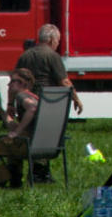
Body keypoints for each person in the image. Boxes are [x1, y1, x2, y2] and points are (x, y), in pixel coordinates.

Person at [14, 23, 80, 180]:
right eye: (58, 41)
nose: (58, 44)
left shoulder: (25, 56)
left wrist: (10, 105)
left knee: (31, 135)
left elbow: (14, 82)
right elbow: (64, 82)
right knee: (44, 136)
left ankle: (32, 171)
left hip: (25, 106)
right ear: (51, 40)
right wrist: (77, 99)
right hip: (45, 106)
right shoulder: (52, 56)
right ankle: (40, 172)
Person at [0, 69, 39, 187]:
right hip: (42, 145)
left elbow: (32, 108)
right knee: (10, 141)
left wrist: (16, 133)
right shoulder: (35, 97)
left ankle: (2, 179)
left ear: (23, 83)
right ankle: (15, 180)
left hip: (27, 145)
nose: (9, 85)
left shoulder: (21, 96)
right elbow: (17, 127)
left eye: (12, 81)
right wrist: (2, 112)